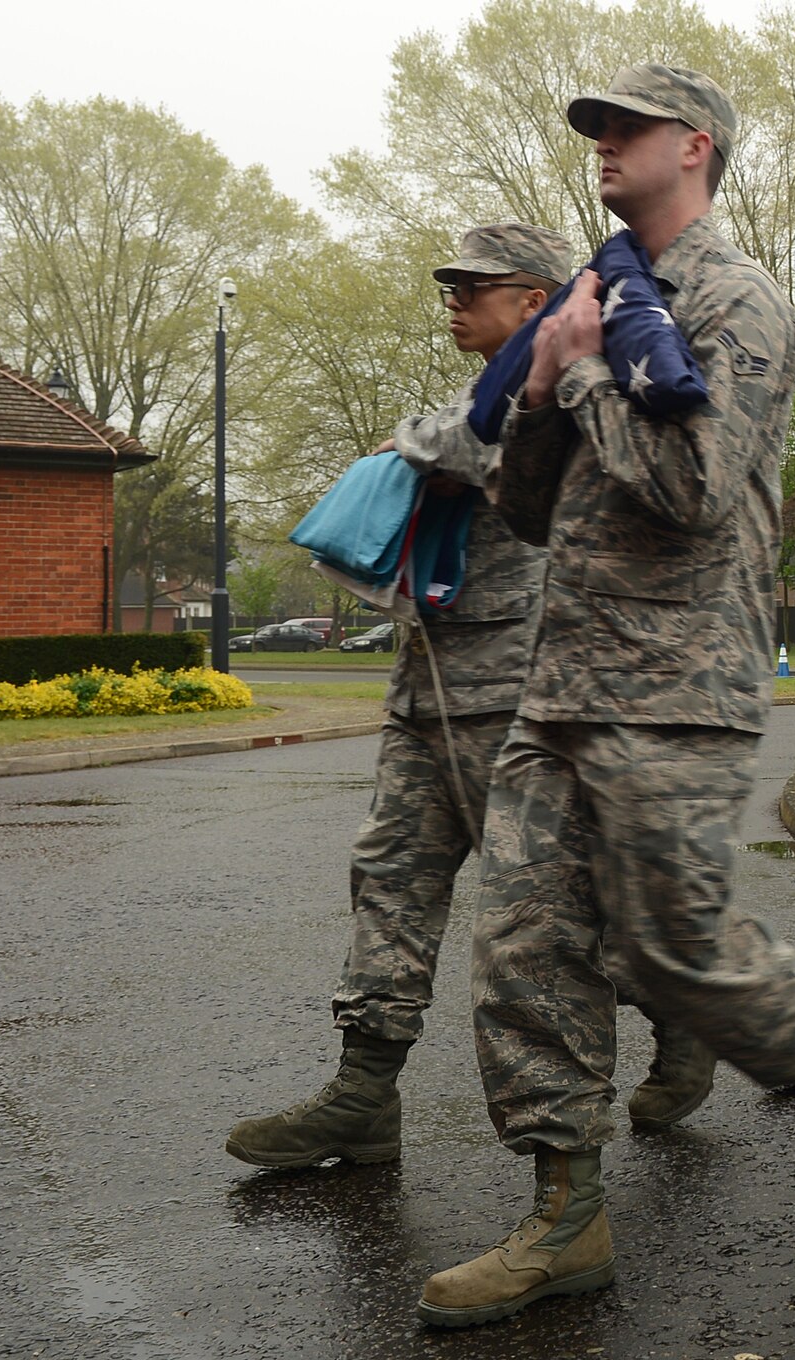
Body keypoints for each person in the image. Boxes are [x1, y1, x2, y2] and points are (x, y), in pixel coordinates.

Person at [418, 65, 795, 1329]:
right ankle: (565, 1212)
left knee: (670, 945)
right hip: (562, 677)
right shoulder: (595, 301)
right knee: (521, 945)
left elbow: (696, 494)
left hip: (677, 680)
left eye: (624, 128)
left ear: (694, 149)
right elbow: (530, 512)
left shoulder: (735, 303)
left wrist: (588, 377)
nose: (600, 145)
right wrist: (540, 395)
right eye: (590, 127)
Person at [224, 223, 580, 1170]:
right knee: (389, 883)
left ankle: (678, 1032)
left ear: (537, 298)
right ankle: (363, 1096)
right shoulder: (471, 394)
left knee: (550, 920)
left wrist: (413, 440)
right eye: (448, 286)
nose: (454, 299)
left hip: (519, 712)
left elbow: (477, 448)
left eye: (476, 284)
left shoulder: (560, 389)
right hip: (426, 697)